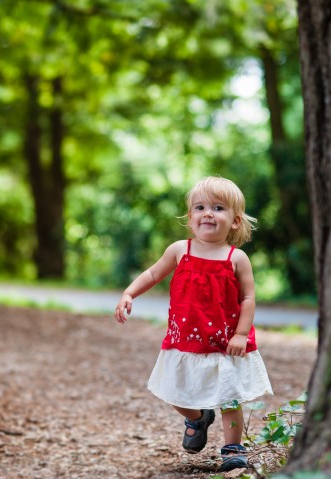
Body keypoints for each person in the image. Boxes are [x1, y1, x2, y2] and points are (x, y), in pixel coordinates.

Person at [114, 176, 273, 472]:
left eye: (218, 208)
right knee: (173, 390)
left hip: (225, 342)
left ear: (235, 221)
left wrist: (240, 334)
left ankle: (233, 447)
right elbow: (152, 274)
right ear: (190, 217)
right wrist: (129, 293)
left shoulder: (236, 258)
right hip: (185, 338)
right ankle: (198, 418)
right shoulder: (179, 250)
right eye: (200, 207)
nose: (208, 213)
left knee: (229, 397)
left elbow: (248, 299)